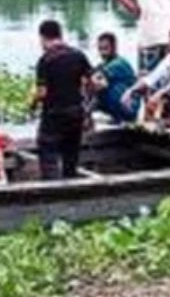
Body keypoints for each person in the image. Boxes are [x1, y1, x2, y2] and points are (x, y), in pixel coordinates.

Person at [32, 19, 92, 178]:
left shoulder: (45, 60)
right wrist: (88, 107)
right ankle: (70, 185)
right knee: (71, 155)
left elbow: (42, 92)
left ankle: (52, 189)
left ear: (43, 37)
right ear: (60, 34)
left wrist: (32, 105)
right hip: (75, 113)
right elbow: (93, 83)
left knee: (48, 152)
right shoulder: (78, 55)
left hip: (53, 115)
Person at [91, 32, 141, 125]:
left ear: (114, 47)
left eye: (106, 48)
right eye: (100, 49)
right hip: (120, 106)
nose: (102, 53)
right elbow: (93, 73)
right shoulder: (104, 64)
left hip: (128, 108)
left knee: (100, 85)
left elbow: (97, 80)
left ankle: (120, 118)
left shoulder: (118, 64)